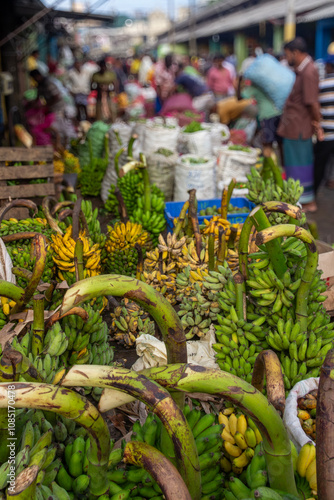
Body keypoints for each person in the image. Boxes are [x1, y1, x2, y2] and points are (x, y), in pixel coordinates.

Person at [277, 37, 322, 212]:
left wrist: (317, 125)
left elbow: (312, 102)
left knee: (300, 164)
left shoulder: (309, 71)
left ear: (295, 53)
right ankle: (299, 200)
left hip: (299, 128)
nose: (286, 58)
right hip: (294, 127)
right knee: (295, 164)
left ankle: (307, 202)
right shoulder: (302, 71)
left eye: (287, 54)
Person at [240, 79, 281, 158]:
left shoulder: (254, 86)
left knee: (267, 144)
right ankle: (282, 167)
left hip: (267, 115)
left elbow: (240, 97)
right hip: (278, 112)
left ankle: (268, 167)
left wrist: (239, 83)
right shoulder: (269, 84)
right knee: (279, 143)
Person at [314, 55, 334, 193]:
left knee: (320, 165)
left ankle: (312, 195)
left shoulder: (322, 84)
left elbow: (316, 107)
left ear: (328, 66)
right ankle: (331, 180)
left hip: (326, 132)